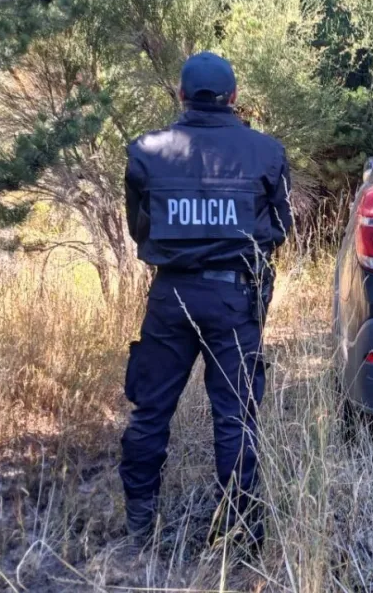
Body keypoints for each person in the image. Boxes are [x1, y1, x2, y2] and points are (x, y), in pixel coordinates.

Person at [120, 52, 292, 552]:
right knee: (235, 416)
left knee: (150, 411)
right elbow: (280, 228)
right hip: (234, 299)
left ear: (181, 95)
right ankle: (239, 536)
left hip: (169, 297)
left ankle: (140, 525)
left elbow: (139, 228)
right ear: (234, 97)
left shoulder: (146, 151)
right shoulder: (266, 152)